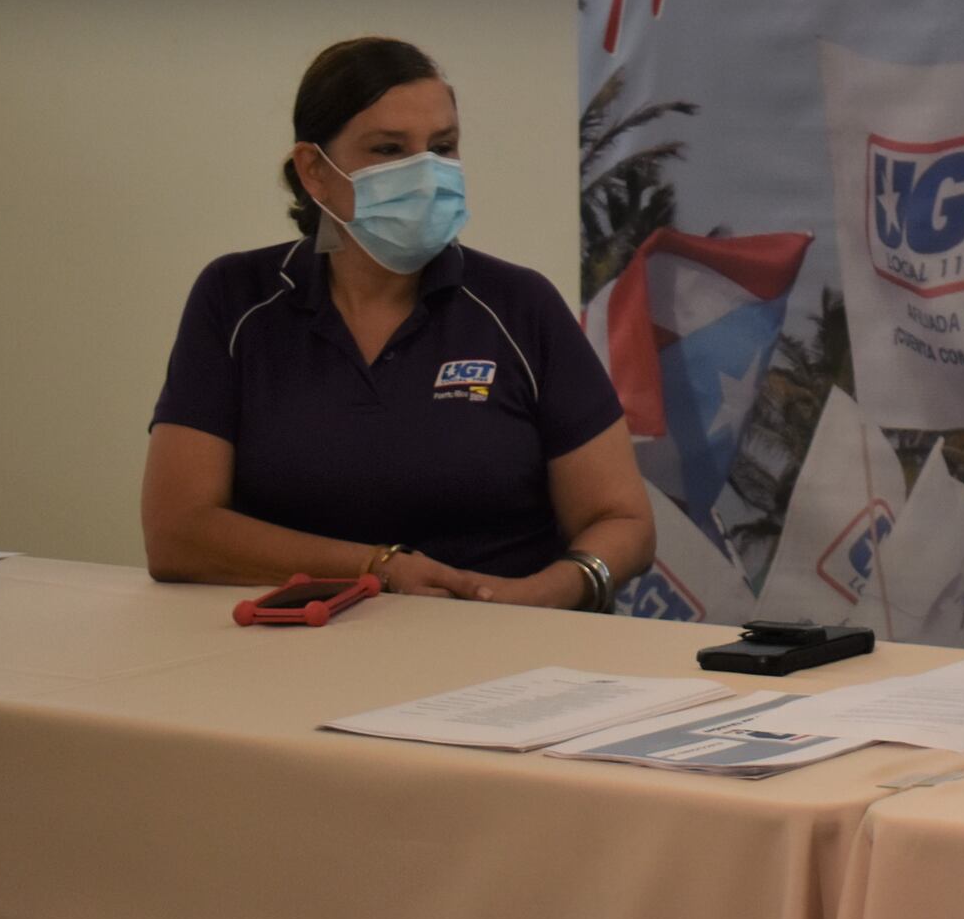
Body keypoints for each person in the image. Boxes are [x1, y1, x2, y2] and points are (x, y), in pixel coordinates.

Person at [143, 37, 654, 609]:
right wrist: (378, 569)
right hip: (294, 654)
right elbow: (177, 534)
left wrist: (543, 595)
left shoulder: (519, 306)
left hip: (504, 644)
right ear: (314, 171)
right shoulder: (237, 300)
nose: (427, 173)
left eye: (443, 147)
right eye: (389, 150)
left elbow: (624, 521)